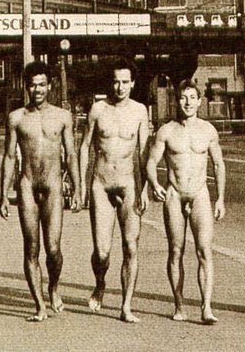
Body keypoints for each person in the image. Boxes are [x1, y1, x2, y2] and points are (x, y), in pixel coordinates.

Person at [0, 61, 81, 322]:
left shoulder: (62, 116)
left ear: (50, 86)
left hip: (53, 186)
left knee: (53, 249)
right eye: (33, 85)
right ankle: (39, 306)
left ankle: (53, 287)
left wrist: (78, 189)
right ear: (26, 87)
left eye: (42, 85)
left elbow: (71, 154)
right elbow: (9, 156)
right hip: (27, 186)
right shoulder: (17, 118)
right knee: (31, 248)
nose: (37, 90)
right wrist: (3, 194)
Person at [145, 79, 226, 324]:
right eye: (183, 98)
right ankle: (179, 304)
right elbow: (151, 162)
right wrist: (154, 183)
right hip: (174, 193)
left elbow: (218, 164)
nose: (188, 103)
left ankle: (206, 306)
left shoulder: (208, 131)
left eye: (192, 98)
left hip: (200, 193)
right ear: (176, 101)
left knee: (204, 250)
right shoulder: (166, 131)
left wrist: (221, 199)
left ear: (199, 101)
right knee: (175, 251)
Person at [79, 59, 150, 323]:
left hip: (129, 184)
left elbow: (144, 154)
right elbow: (84, 147)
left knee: (131, 246)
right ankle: (100, 283)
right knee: (102, 252)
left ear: (133, 83)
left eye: (125, 82)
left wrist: (144, 189)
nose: (120, 87)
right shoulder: (98, 109)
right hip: (101, 184)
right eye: (116, 82)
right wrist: (81, 186)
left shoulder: (140, 111)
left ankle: (126, 306)